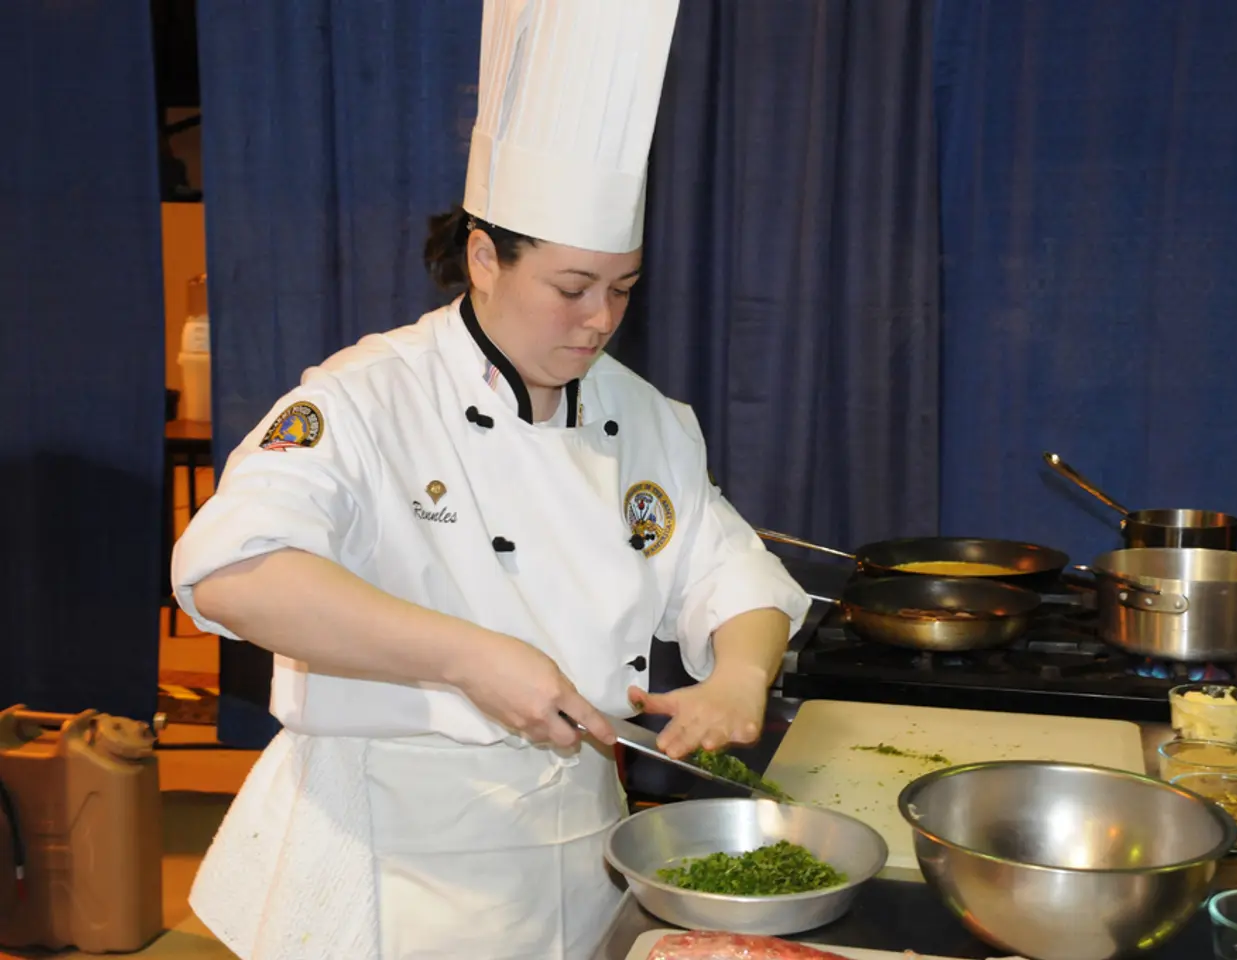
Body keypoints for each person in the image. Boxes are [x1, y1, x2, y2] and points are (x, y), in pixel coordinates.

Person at [172, 1, 810, 957]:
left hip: (583, 851)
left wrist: (742, 676)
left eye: (623, 291)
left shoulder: (642, 418)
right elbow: (232, 571)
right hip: (394, 860)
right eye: (570, 288)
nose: (599, 320)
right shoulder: (365, 400)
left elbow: (733, 575)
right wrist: (470, 656)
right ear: (482, 255)